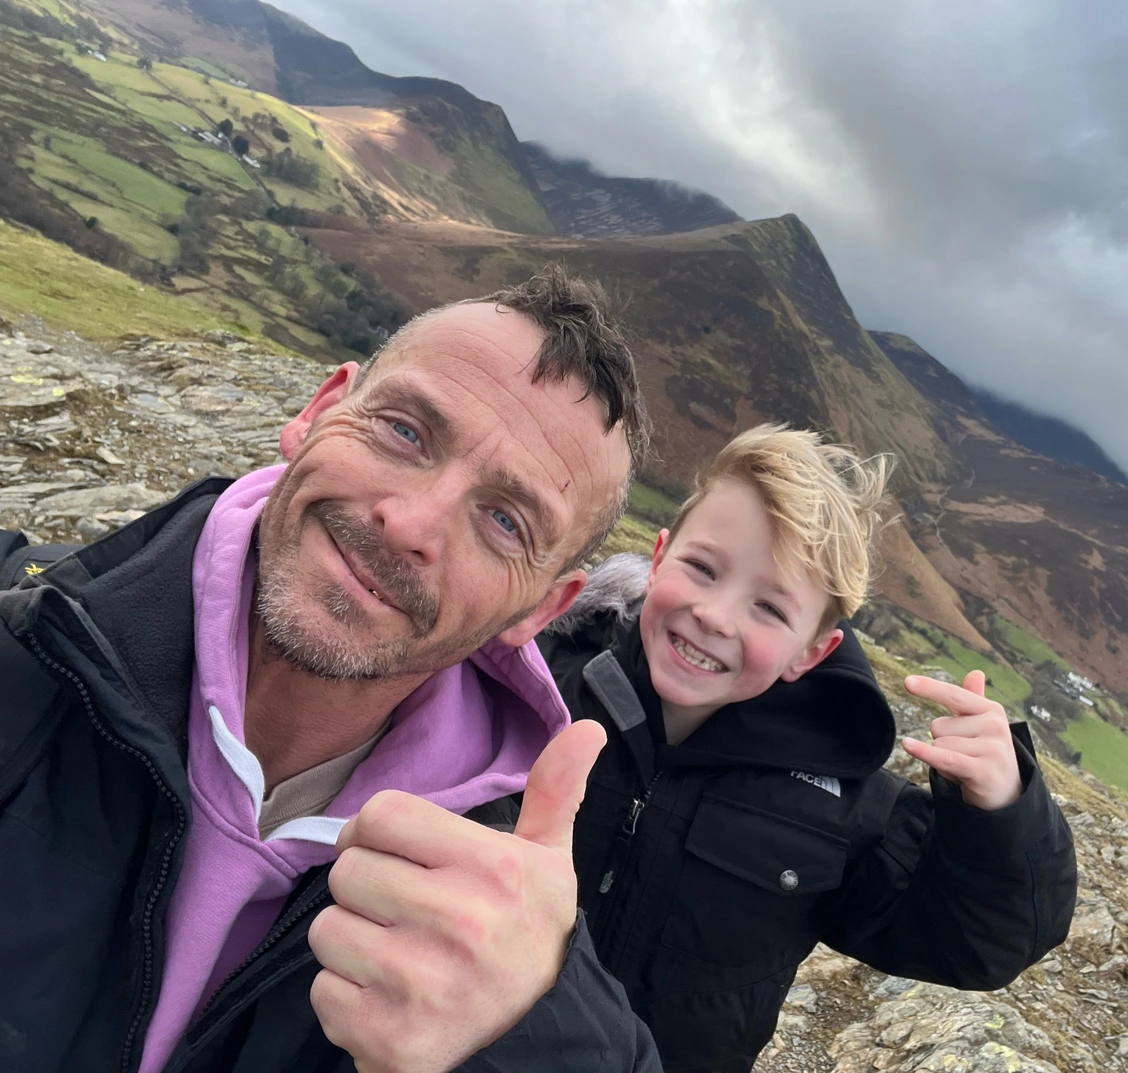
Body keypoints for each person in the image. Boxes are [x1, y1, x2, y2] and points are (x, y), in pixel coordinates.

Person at [0, 269, 663, 1073]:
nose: (410, 524)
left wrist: (524, 1027)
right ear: (318, 411)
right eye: (405, 431)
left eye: (503, 520)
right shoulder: (26, 632)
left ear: (542, 609)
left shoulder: (496, 903)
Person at [538, 424, 1078, 1073]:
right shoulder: (542, 682)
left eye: (769, 608)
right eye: (702, 568)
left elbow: (984, 943)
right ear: (658, 558)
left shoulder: (843, 802)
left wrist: (1005, 809)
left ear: (812, 652)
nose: (716, 615)